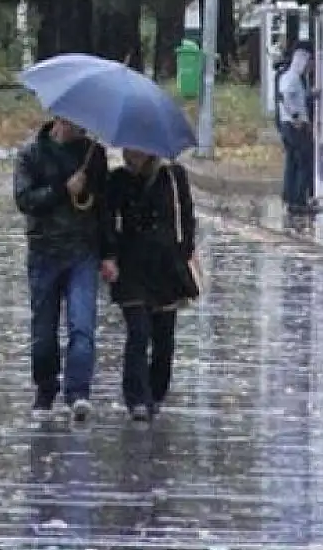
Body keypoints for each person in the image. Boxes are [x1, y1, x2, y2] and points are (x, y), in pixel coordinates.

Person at [14, 117, 118, 422]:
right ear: (60, 119)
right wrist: (62, 189)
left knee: (82, 326)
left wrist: (108, 253)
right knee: (44, 331)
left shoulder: (93, 155)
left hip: (82, 252)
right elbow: (25, 200)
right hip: (44, 253)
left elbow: (103, 208)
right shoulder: (31, 154)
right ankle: (45, 390)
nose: (82, 126)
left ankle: (78, 393)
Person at [107, 149, 196, 422]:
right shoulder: (118, 180)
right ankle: (136, 398)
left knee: (164, 337)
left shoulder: (173, 176)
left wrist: (185, 253)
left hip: (166, 267)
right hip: (131, 266)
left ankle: (156, 393)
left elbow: (186, 218)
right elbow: (108, 221)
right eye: (128, 149)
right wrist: (108, 256)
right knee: (138, 331)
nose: (131, 154)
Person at [278, 43, 316, 215]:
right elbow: (285, 97)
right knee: (302, 163)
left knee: (293, 162)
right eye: (309, 62)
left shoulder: (294, 78)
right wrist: (295, 117)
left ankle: (291, 197)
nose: (310, 66)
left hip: (290, 126)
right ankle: (299, 200)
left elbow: (297, 97)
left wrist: (312, 95)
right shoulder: (291, 78)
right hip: (294, 126)